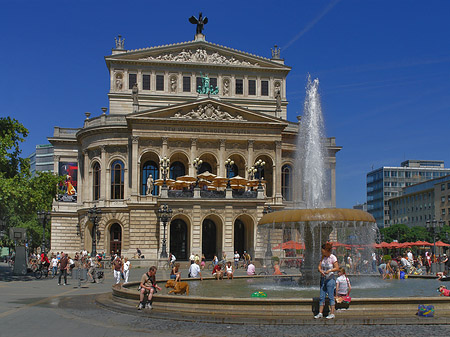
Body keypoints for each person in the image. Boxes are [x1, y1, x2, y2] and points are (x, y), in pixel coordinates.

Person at [314, 242, 339, 320]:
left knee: (331, 296)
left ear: (327, 250)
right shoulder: (323, 257)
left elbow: (337, 268)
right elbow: (319, 266)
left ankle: (332, 313)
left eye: (323, 250)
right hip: (323, 278)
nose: (322, 252)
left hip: (330, 279)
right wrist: (320, 270)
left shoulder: (333, 258)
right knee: (322, 296)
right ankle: (320, 313)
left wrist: (330, 271)